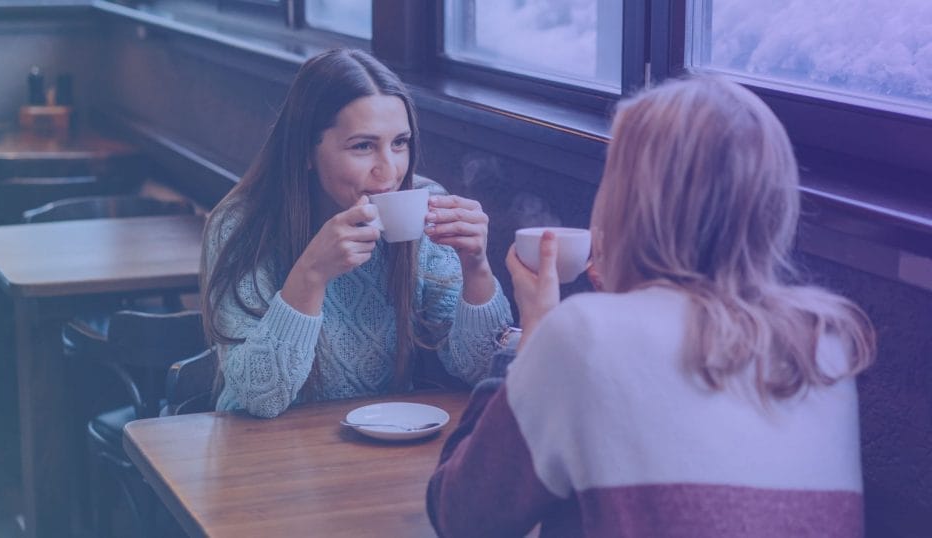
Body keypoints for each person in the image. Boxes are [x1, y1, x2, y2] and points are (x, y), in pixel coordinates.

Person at [427, 76, 876, 537]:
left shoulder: (582, 336)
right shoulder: (826, 341)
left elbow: (462, 519)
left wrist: (534, 334)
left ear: (628, 204)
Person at [201, 49, 513, 418]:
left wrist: (476, 267)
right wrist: (311, 273)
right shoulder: (241, 226)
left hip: (382, 443)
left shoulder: (427, 208)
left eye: (400, 143)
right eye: (363, 146)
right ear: (305, 151)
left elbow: (481, 370)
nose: (390, 170)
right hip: (257, 449)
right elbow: (261, 397)